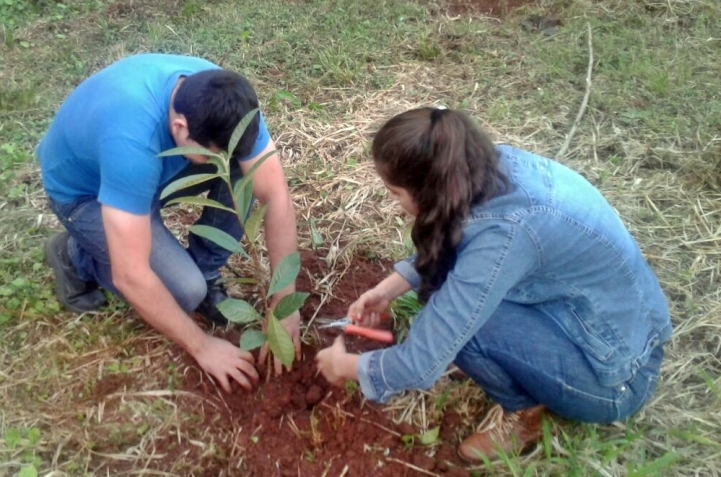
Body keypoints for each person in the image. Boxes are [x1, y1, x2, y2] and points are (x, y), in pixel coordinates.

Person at [315, 107, 672, 462]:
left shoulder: (508, 233)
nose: (395, 205)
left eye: (395, 193)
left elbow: (418, 364)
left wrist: (345, 366)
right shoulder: (481, 167)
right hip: (614, 329)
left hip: (617, 379)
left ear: (429, 189)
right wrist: (386, 291)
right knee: (452, 304)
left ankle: (526, 416)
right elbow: (459, 240)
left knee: (460, 327)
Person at [39, 53, 301, 392]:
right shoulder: (131, 142)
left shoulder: (227, 104)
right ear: (180, 128)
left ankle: (206, 270)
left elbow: (275, 195)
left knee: (240, 170)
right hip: (86, 193)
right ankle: (76, 254)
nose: (222, 161)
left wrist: (283, 302)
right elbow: (130, 275)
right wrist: (202, 346)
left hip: (144, 172)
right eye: (213, 153)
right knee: (183, 293)